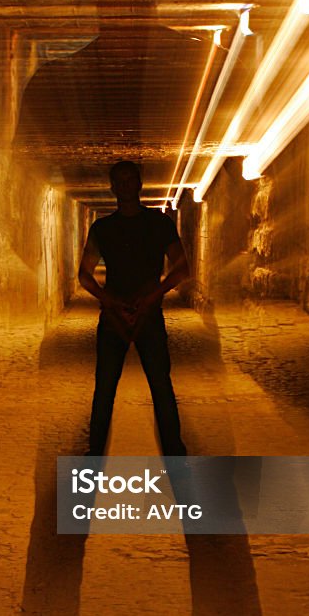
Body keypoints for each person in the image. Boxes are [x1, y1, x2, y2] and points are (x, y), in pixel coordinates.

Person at [78, 160, 189, 456]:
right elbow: (84, 274)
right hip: (120, 316)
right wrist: (108, 299)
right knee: (105, 391)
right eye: (120, 181)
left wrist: (153, 295)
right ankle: (97, 454)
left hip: (143, 316)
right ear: (113, 186)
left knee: (160, 389)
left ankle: (173, 453)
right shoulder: (103, 228)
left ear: (139, 183)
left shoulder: (159, 224)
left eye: (130, 180)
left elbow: (182, 268)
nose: (126, 186)